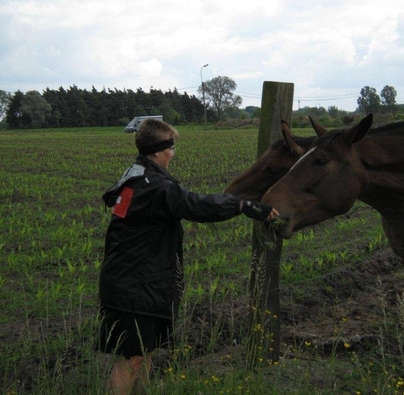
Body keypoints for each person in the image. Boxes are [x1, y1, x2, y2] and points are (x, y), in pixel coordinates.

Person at [98, 119, 278, 394]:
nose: (173, 155)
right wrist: (242, 205)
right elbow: (196, 205)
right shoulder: (156, 186)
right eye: (171, 149)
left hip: (134, 279)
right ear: (158, 151)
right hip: (136, 284)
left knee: (144, 353)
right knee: (132, 358)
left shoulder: (135, 176)